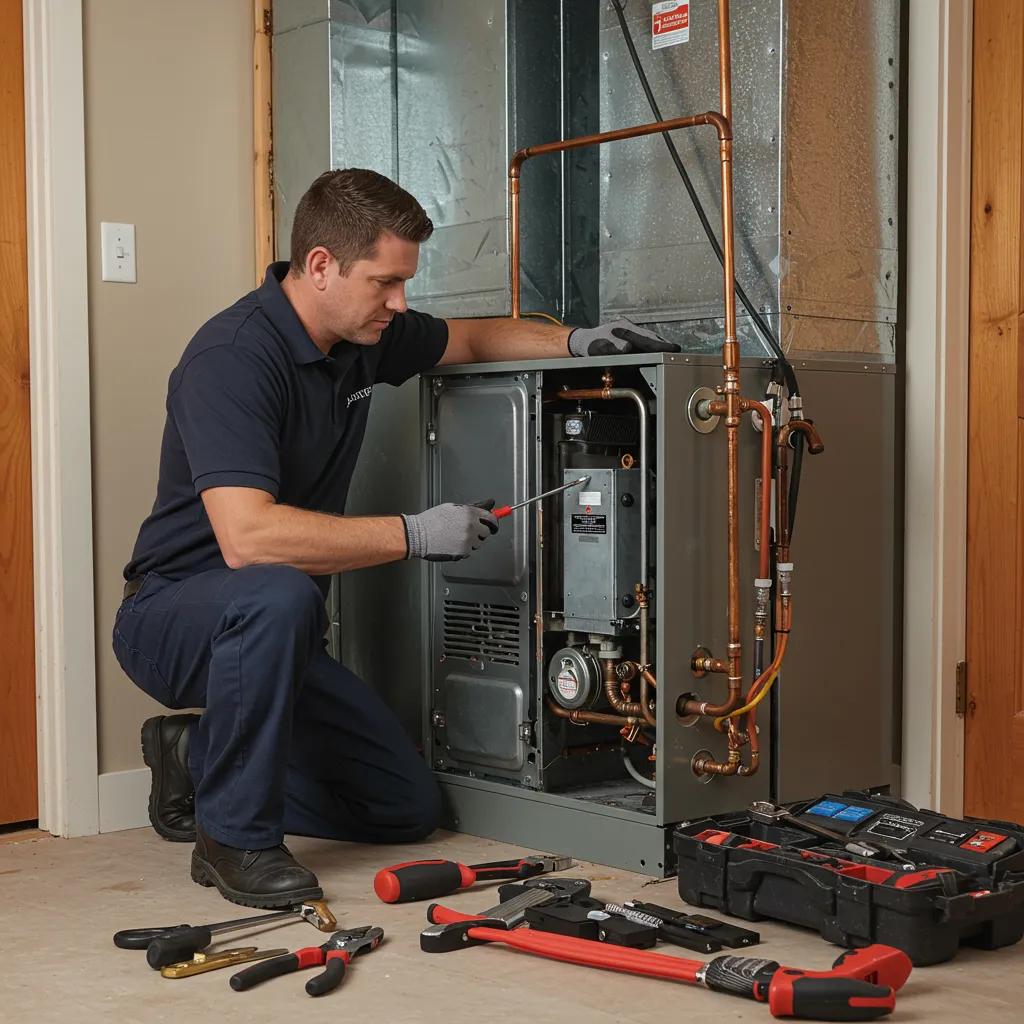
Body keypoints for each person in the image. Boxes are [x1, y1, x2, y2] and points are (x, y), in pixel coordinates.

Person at [113, 168, 677, 908]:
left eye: (404, 283)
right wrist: (415, 534)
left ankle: (194, 756)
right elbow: (247, 538)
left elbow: (470, 337)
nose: (400, 302)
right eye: (385, 282)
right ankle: (233, 840)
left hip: (276, 632)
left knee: (403, 806)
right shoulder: (232, 358)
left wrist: (575, 340)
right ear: (321, 266)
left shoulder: (361, 337)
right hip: (174, 618)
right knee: (278, 591)